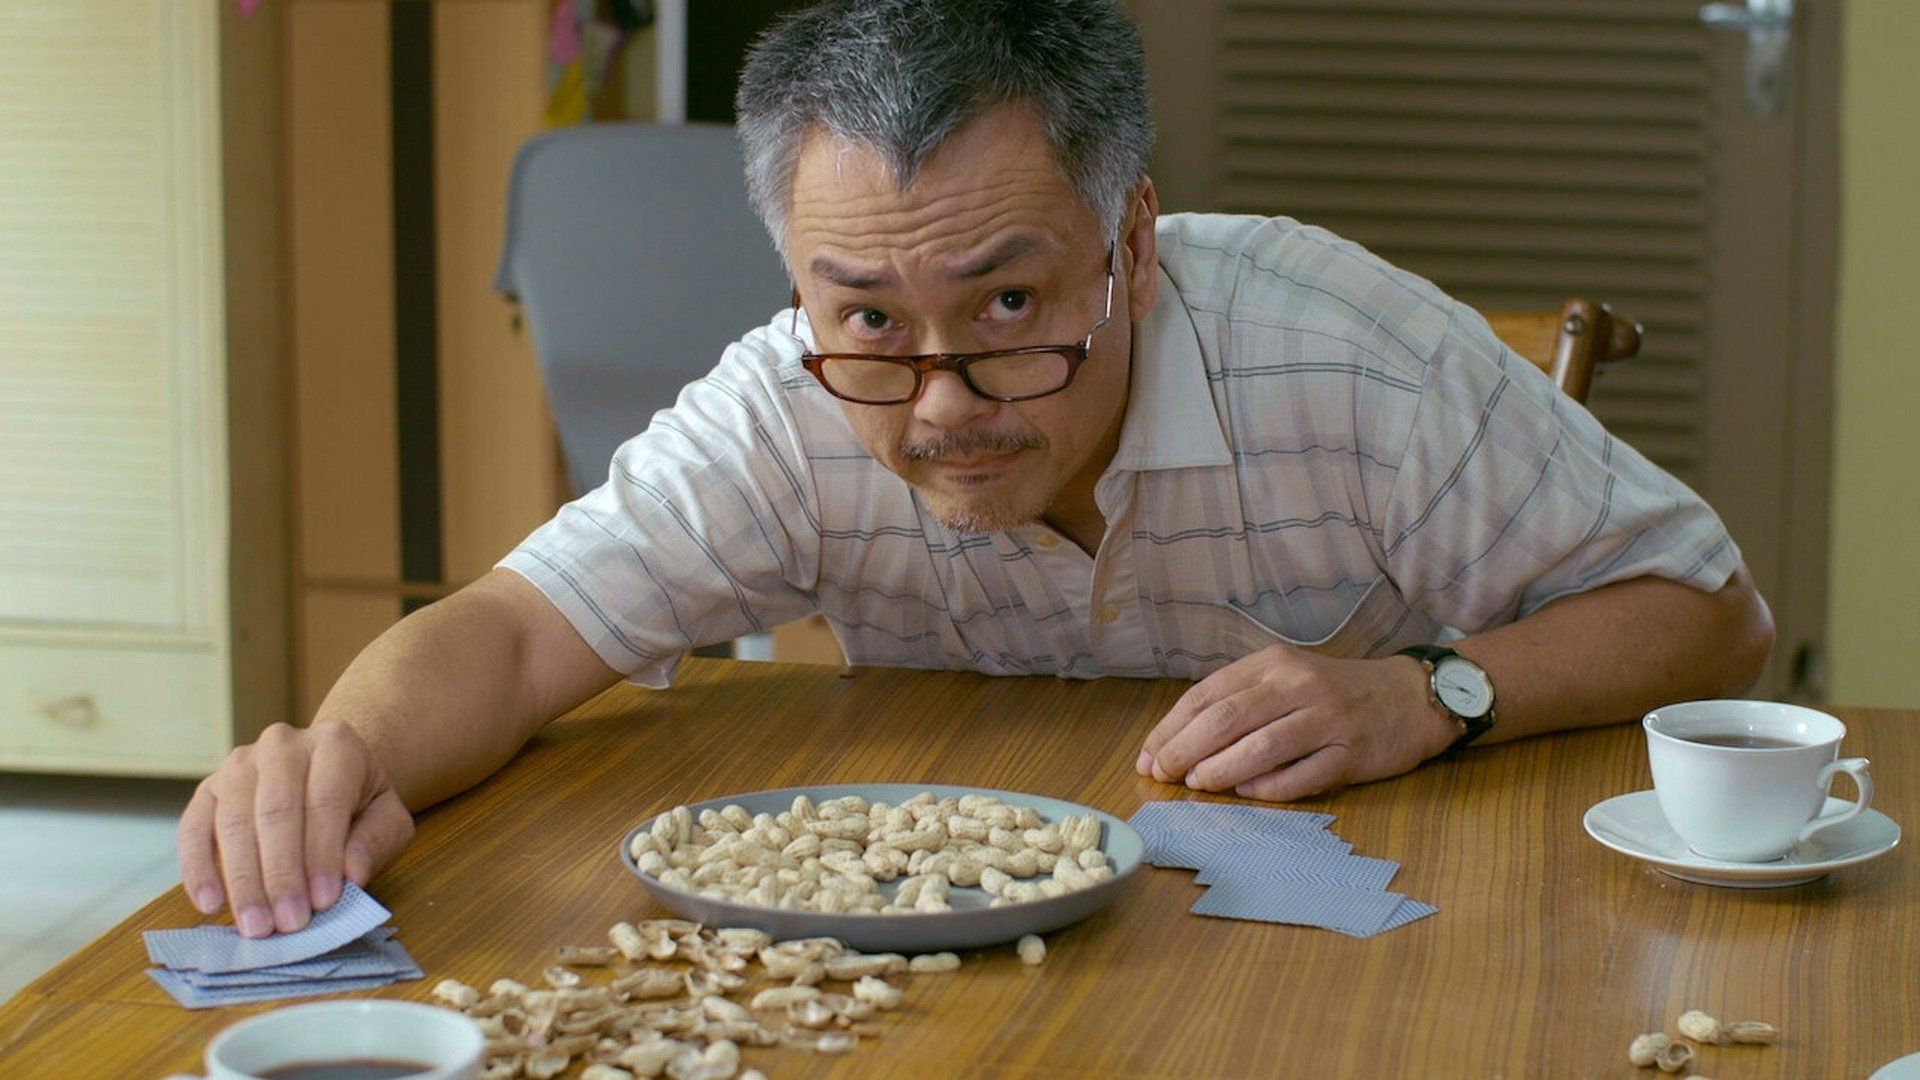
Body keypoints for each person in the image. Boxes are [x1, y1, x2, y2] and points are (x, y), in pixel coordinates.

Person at [178, 0, 1773, 938]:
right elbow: (519, 632)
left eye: (1009, 307)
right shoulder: (790, 403)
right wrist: (336, 760)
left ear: (1131, 243)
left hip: (1353, 929)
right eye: (869, 315)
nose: (942, 404)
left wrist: (1431, 692)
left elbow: (1711, 613)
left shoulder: (1351, 353)